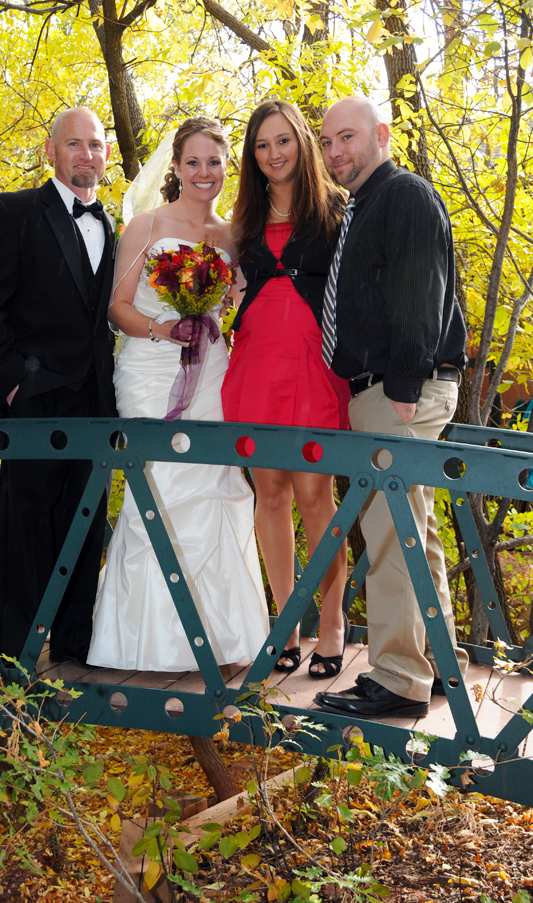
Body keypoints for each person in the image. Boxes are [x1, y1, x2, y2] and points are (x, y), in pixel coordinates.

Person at [87, 117, 269, 671]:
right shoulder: (146, 225)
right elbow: (117, 309)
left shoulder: (234, 234)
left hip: (211, 369)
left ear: (228, 166)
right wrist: (164, 328)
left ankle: (223, 639)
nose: (204, 172)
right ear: (176, 167)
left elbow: (241, 305)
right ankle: (144, 643)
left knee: (216, 485)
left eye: (214, 161)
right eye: (193, 162)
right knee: (158, 488)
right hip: (149, 366)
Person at [313, 95, 470, 718]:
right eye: (327, 142)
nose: (335, 152)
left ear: (381, 134)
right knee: (413, 532)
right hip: (386, 390)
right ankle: (437, 664)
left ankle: (400, 679)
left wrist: (403, 387)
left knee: (388, 536)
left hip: (399, 391)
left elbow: (419, 291)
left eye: (347, 137)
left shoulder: (402, 194)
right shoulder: (366, 205)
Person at [0, 107, 117, 668]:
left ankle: (75, 644)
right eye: (74, 144)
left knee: (85, 521)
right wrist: (12, 384)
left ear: (106, 154)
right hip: (33, 397)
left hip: (96, 400)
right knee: (27, 522)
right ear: (50, 151)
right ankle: (19, 653)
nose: (86, 155)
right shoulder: (11, 211)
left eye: (94, 145)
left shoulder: (112, 224)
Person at [220, 99, 351, 679]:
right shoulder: (243, 220)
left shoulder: (337, 210)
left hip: (313, 367)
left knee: (315, 497)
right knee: (269, 495)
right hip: (254, 366)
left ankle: (333, 623)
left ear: (302, 141)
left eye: (283, 141)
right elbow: (226, 291)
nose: (273, 154)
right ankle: (287, 624)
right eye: (261, 145)